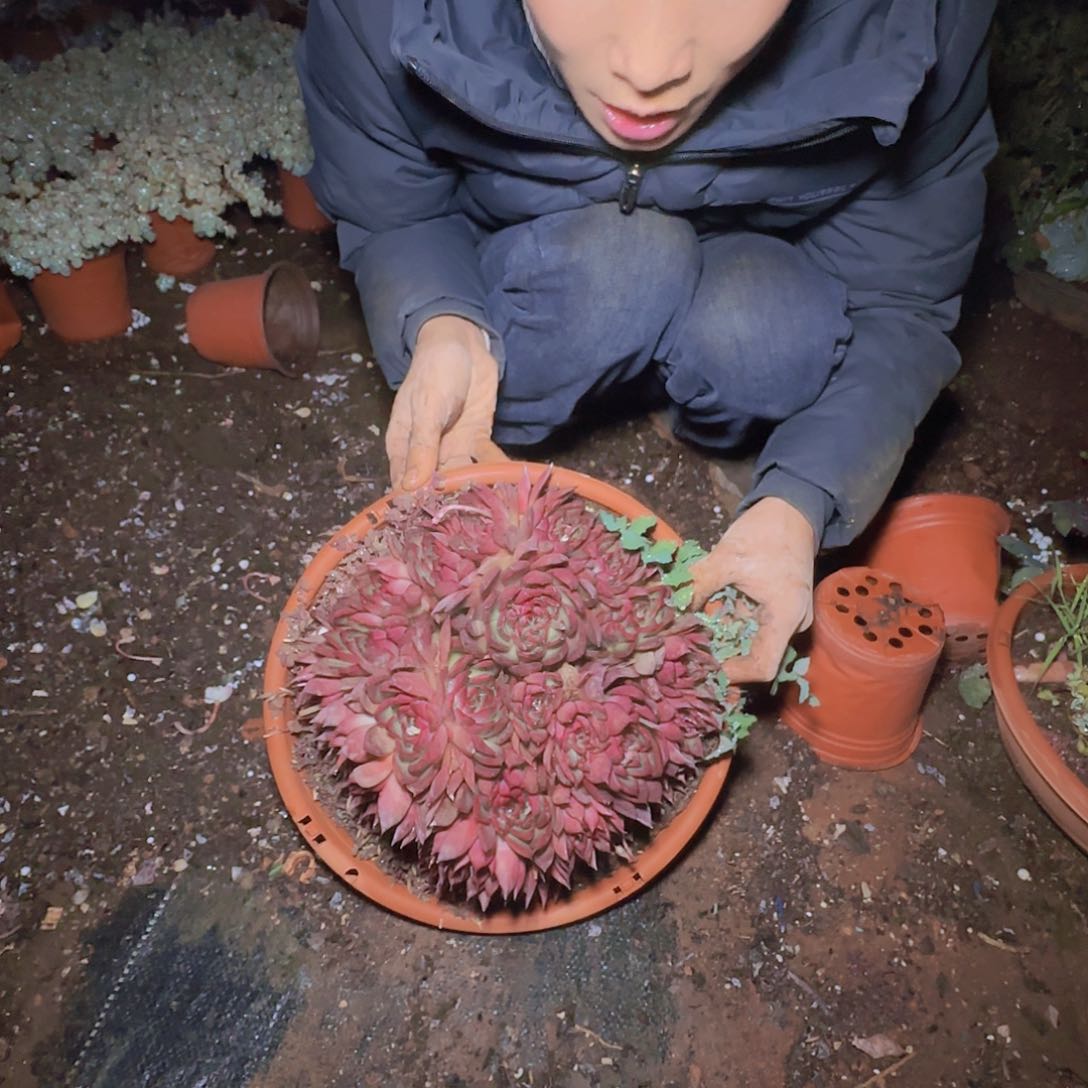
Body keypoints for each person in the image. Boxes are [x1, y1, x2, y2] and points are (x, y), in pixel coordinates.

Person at [296, 0, 997, 684]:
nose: (650, 68)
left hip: (735, 261)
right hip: (539, 269)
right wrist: (442, 321)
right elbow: (396, 215)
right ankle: (518, 418)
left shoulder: (921, 18)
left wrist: (800, 502)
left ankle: (699, 414)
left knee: (775, 330)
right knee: (623, 268)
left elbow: (898, 301)